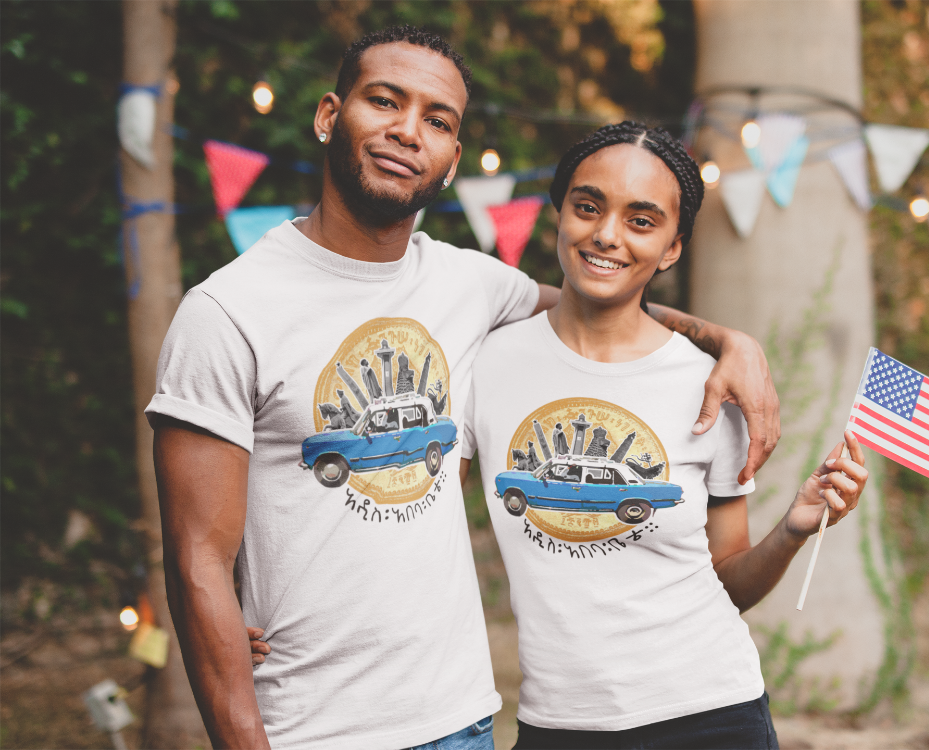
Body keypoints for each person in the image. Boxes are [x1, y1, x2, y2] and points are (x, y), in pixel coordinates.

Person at [150, 26, 779, 750]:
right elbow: (197, 562)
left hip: (462, 720)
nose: (407, 131)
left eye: (438, 121)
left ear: (452, 159)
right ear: (330, 116)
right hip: (308, 729)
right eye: (384, 101)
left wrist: (731, 342)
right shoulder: (227, 312)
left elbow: (605, 303)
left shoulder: (471, 284)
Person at [456, 123, 868, 749]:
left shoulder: (709, 385)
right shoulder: (487, 362)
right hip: (558, 723)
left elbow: (728, 579)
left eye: (641, 221)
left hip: (712, 714)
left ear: (673, 248)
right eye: (588, 207)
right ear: (559, 214)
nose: (607, 235)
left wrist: (792, 530)